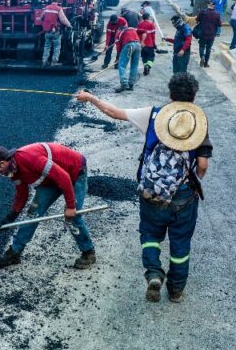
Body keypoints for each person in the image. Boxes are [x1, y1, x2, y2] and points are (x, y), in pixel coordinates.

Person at [76, 72, 212, 303]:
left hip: (152, 192)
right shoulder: (197, 124)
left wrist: (91, 98)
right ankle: (176, 290)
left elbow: (114, 112)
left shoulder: (153, 115)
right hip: (183, 196)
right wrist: (192, 182)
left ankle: (153, 273)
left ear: (170, 94)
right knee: (180, 242)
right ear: (194, 96)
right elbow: (202, 164)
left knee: (149, 233)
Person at [0, 143, 96, 269]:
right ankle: (15, 253)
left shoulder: (30, 159)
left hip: (74, 171)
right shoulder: (13, 170)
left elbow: (64, 177)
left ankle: (88, 252)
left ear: (2, 163)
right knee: (33, 213)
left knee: (73, 217)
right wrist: (11, 216)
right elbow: (22, 194)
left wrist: (70, 206)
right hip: (50, 179)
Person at [41, 0, 73, 66]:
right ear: (57, 1)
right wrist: (69, 25)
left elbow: (41, 17)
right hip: (55, 31)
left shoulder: (46, 8)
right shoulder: (58, 8)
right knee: (56, 47)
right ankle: (54, 62)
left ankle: (44, 61)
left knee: (47, 46)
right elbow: (63, 20)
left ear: (51, 0)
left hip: (47, 31)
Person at [115, 18, 141, 92]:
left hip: (129, 45)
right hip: (138, 45)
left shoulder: (119, 32)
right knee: (134, 65)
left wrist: (119, 57)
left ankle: (124, 83)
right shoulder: (132, 29)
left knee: (122, 65)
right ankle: (131, 84)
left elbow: (118, 46)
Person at [137, 12, 157, 76]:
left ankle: (145, 66)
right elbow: (153, 36)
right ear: (148, 17)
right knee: (151, 57)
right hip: (150, 44)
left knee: (144, 57)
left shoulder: (139, 24)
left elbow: (138, 34)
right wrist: (154, 44)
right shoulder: (151, 24)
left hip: (142, 45)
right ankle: (148, 66)